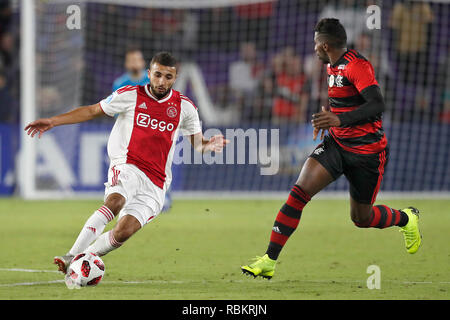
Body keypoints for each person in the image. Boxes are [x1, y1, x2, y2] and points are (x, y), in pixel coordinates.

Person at [241, 18, 422, 279]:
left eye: (315, 43)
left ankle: (406, 219)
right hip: (336, 144)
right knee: (298, 193)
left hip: (367, 153)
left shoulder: (357, 66)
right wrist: (329, 118)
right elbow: (345, 101)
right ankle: (269, 260)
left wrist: (339, 119)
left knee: (362, 218)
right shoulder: (331, 66)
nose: (313, 47)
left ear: (325, 45)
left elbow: (377, 104)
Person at [25, 52, 229, 274]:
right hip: (127, 164)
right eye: (158, 75)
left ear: (175, 78)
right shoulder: (130, 95)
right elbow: (93, 110)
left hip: (157, 182)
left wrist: (208, 145)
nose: (162, 81)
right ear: (149, 73)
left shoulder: (185, 107)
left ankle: (85, 258)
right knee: (115, 201)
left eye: (168, 77)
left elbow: (198, 144)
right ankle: (71, 256)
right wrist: (54, 121)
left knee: (123, 232)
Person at [113, 47, 172, 212]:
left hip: (152, 132)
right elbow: (117, 112)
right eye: (130, 60)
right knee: (129, 167)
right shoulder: (120, 84)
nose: (134, 63)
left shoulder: (151, 82)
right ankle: (130, 197)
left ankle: (164, 196)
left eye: (136, 59)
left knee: (158, 164)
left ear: (142, 63)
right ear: (126, 63)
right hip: (129, 134)